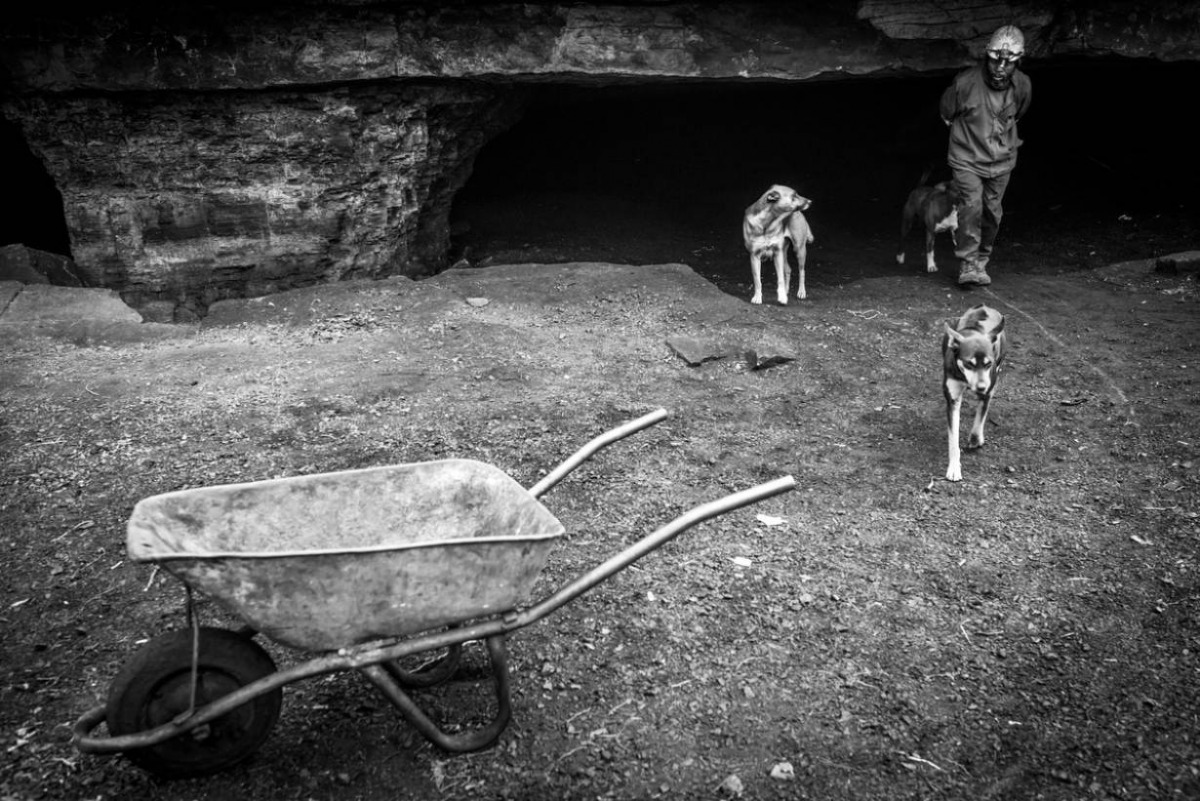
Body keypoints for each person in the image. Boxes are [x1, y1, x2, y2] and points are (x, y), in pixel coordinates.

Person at [939, 25, 1032, 286]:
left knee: (992, 212)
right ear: (986, 56)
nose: (1000, 67)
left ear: (1018, 62)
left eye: (1008, 63)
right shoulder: (965, 83)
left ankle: (982, 259)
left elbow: (1020, 112)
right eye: (995, 60)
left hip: (1002, 159)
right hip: (966, 158)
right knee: (972, 206)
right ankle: (968, 262)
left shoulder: (1023, 85)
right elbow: (947, 113)